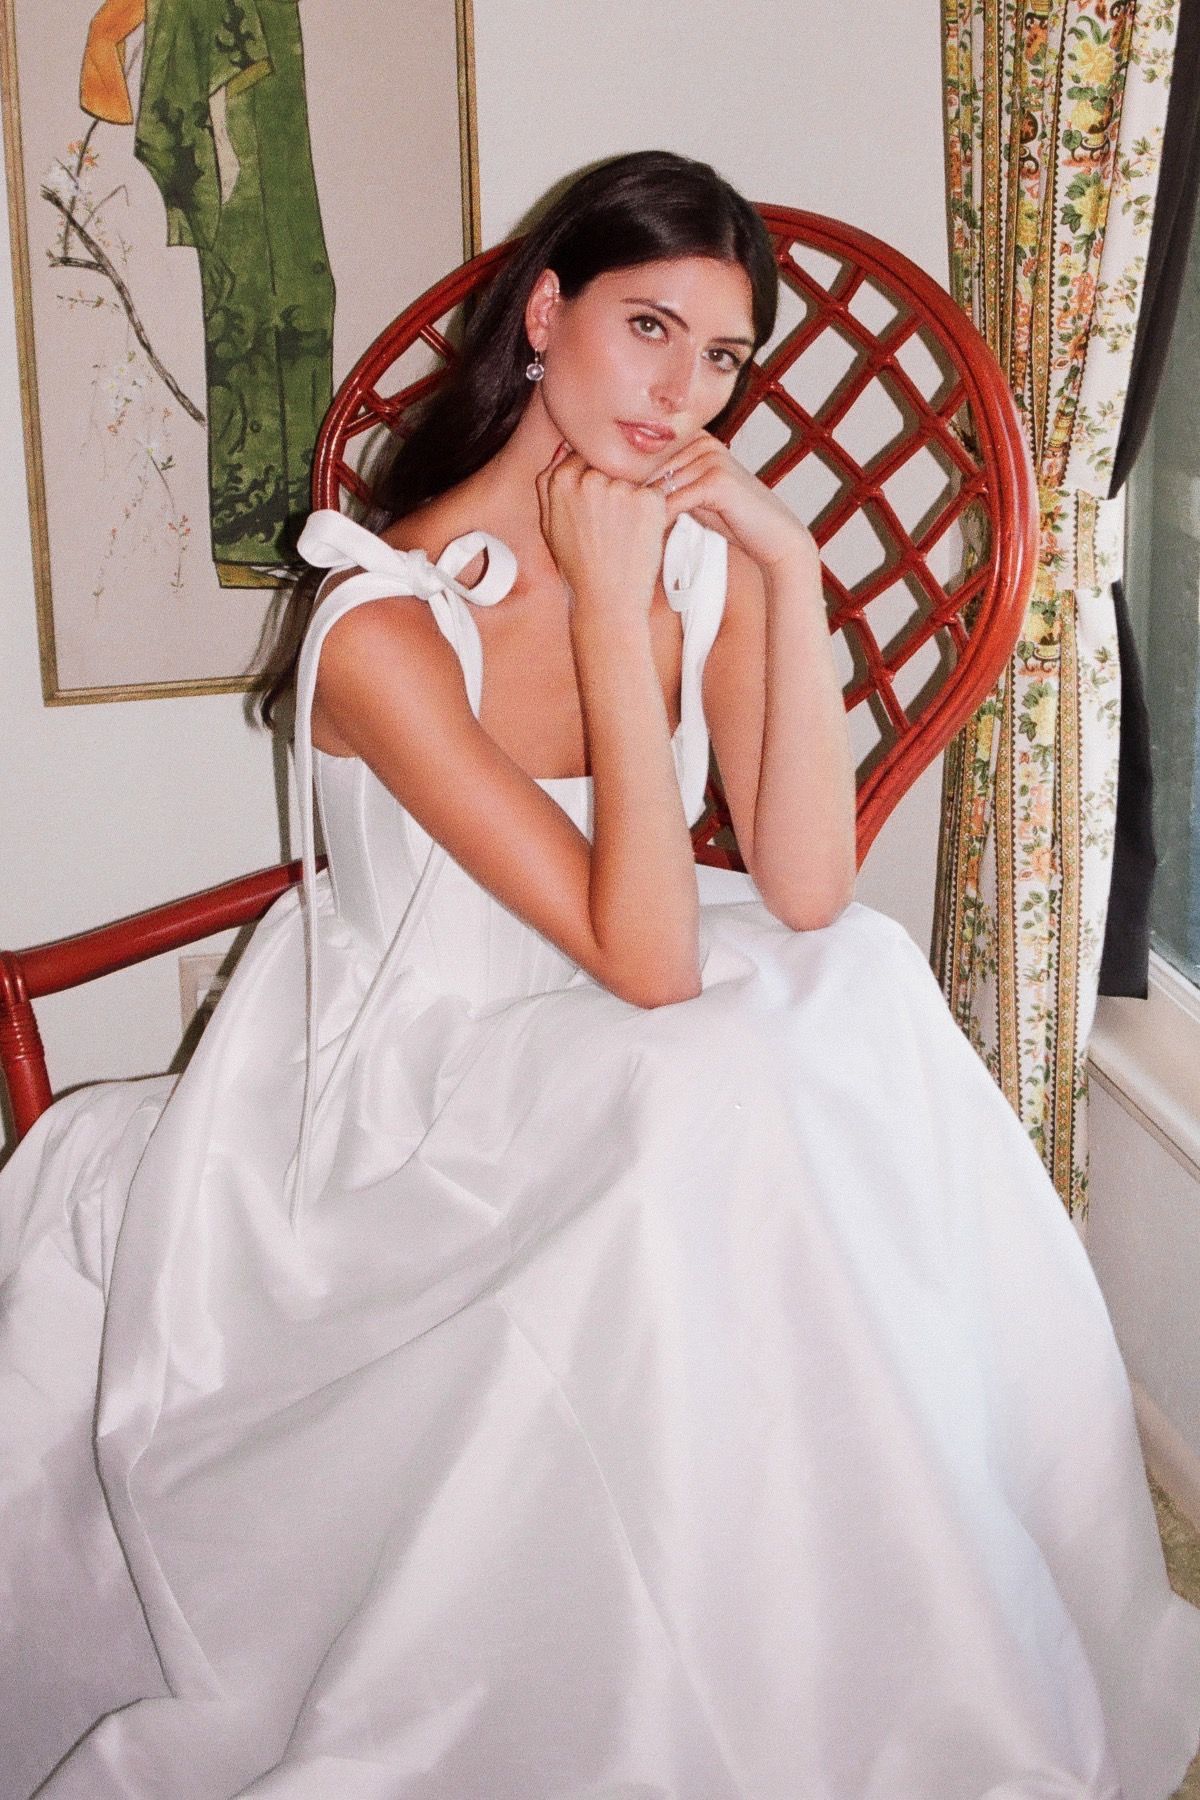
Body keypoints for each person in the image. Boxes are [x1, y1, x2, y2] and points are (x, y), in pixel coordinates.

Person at [1, 149, 1198, 1800]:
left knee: (850, 986)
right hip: (417, 1069)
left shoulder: (694, 548)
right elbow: (640, 958)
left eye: (721, 358)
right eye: (647, 326)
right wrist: (624, 627)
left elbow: (800, 879)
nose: (681, 391)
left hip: (624, 986)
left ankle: (852, 1635)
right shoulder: (384, 620)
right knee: (703, 1079)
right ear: (545, 311)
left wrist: (781, 566)